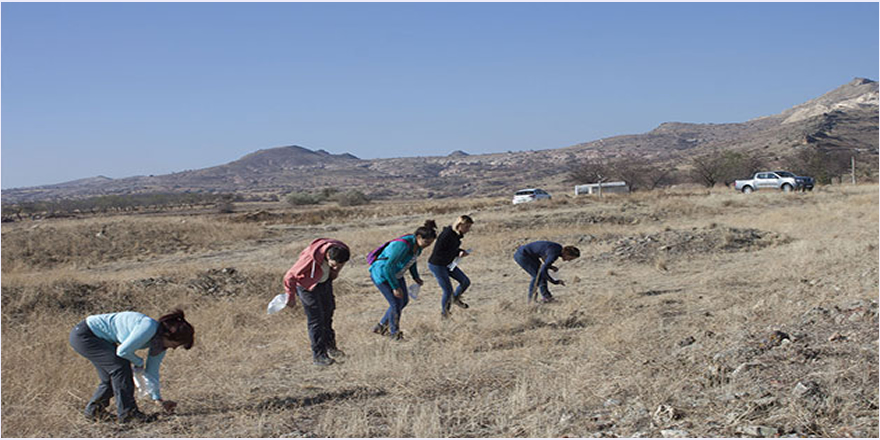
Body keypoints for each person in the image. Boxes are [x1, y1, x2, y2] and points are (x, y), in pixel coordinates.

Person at [68, 309, 194, 423]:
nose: (174, 348)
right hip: (85, 335)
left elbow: (152, 372)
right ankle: (128, 414)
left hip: (102, 340)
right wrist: (138, 362)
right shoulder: (148, 327)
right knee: (120, 367)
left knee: (111, 377)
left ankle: (94, 412)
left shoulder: (160, 345)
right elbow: (122, 351)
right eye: (176, 344)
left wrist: (158, 400)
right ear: (167, 335)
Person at [283, 238, 351, 367]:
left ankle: (331, 348)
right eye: (334, 264)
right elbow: (289, 276)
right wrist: (290, 296)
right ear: (327, 256)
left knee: (328, 314)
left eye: (340, 265)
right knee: (316, 320)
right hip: (306, 286)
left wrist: (334, 272)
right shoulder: (310, 258)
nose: (337, 267)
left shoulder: (342, 250)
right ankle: (319, 356)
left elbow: (337, 265)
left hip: (324, 282)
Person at [369, 220, 438, 340]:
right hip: (382, 275)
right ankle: (394, 333)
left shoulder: (418, 246)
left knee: (404, 301)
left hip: (396, 274)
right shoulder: (402, 246)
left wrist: (415, 277)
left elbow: (412, 261)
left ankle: (380, 327)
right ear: (418, 237)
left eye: (430, 243)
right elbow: (388, 267)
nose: (427, 245)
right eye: (426, 242)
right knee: (395, 304)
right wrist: (395, 287)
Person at [428, 215, 474, 318]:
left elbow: (451, 249)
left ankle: (455, 299)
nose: (468, 230)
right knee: (448, 291)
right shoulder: (447, 234)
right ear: (459, 225)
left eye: (469, 227)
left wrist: (460, 252)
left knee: (465, 281)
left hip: (448, 264)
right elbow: (441, 251)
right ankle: (445, 315)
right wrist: (458, 252)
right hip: (438, 265)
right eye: (466, 227)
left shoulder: (456, 235)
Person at [513, 241, 580, 303]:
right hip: (523, 255)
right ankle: (531, 300)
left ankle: (547, 297)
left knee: (540, 275)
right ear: (567, 254)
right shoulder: (554, 253)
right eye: (570, 258)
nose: (568, 261)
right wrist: (555, 282)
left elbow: (544, 254)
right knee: (537, 276)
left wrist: (550, 266)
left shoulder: (558, 248)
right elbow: (543, 270)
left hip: (529, 255)